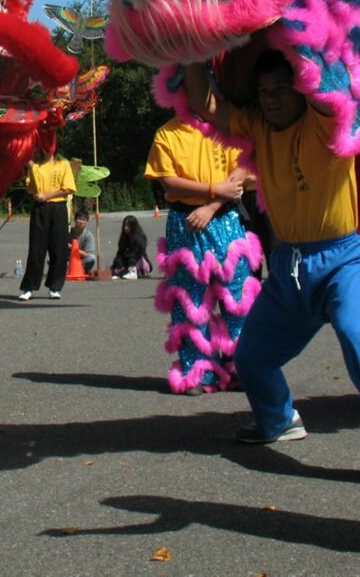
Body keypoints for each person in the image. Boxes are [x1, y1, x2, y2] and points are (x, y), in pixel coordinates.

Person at [185, 49, 360, 442]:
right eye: (264, 90)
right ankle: (279, 420)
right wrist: (189, 49)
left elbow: (321, 68)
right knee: (251, 358)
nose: (270, 97)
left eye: (282, 88)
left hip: (347, 261)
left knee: (358, 341)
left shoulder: (329, 120)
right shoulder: (259, 125)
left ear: (301, 88)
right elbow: (205, 105)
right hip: (290, 269)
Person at [145, 117, 262, 394]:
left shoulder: (226, 128)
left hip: (226, 220)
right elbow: (168, 182)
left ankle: (239, 368)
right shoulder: (167, 134)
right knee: (190, 300)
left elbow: (242, 171)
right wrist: (213, 189)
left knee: (237, 299)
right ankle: (198, 372)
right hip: (185, 222)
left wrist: (212, 204)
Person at [18, 148, 76, 301]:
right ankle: (29, 287)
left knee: (59, 249)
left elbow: (68, 188)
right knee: (36, 249)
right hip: (40, 208)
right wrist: (30, 168)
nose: (48, 149)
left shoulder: (63, 164)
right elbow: (31, 189)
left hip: (58, 207)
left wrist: (48, 196)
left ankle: (54, 287)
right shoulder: (36, 165)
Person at [109, 216, 150, 280]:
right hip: (128, 260)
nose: (125, 228)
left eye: (128, 226)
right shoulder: (124, 238)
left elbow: (137, 253)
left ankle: (133, 272)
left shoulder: (139, 238)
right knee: (115, 268)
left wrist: (130, 265)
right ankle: (121, 272)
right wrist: (118, 265)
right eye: (125, 225)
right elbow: (120, 253)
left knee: (131, 257)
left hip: (139, 261)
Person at [70, 210, 96, 274]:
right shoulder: (68, 232)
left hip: (81, 260)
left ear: (87, 222)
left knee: (92, 258)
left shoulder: (88, 235)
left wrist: (72, 248)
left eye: (84, 220)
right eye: (79, 219)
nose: (81, 222)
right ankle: (68, 268)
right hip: (68, 258)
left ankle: (76, 269)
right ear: (75, 220)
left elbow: (87, 254)